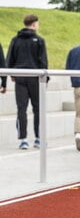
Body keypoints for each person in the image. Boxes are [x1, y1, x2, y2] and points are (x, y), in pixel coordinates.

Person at [4, 14, 48, 149]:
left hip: (20, 78)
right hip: (35, 78)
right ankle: (38, 139)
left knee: (21, 109)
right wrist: (45, 79)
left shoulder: (15, 40)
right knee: (37, 109)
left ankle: (23, 140)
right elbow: (43, 61)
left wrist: (10, 74)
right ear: (34, 24)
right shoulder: (39, 40)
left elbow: (9, 59)